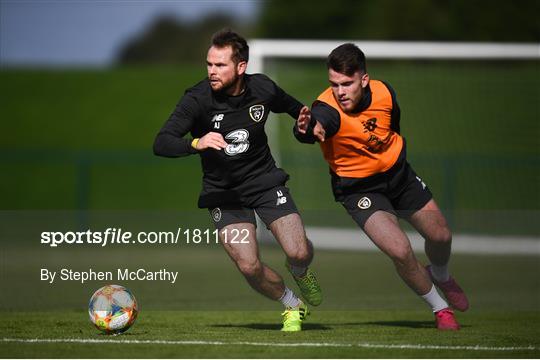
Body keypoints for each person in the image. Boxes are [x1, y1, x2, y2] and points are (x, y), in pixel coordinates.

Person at [153, 29, 322, 332]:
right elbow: (162, 142)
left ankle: (299, 270)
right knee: (248, 265)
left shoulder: (263, 89)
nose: (212, 72)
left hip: (265, 183)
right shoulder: (197, 99)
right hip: (223, 194)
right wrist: (196, 143)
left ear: (241, 67)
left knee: (299, 251)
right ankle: (292, 304)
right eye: (209, 64)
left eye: (220, 65)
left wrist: (306, 124)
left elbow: (298, 111)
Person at [294, 43, 468, 331]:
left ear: (365, 80)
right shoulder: (328, 109)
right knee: (400, 250)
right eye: (334, 84)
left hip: (400, 178)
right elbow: (316, 123)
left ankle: (440, 273)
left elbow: (393, 129)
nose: (340, 91)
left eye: (347, 84)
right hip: (360, 190)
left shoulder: (385, 92)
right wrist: (306, 129)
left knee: (441, 235)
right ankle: (441, 310)